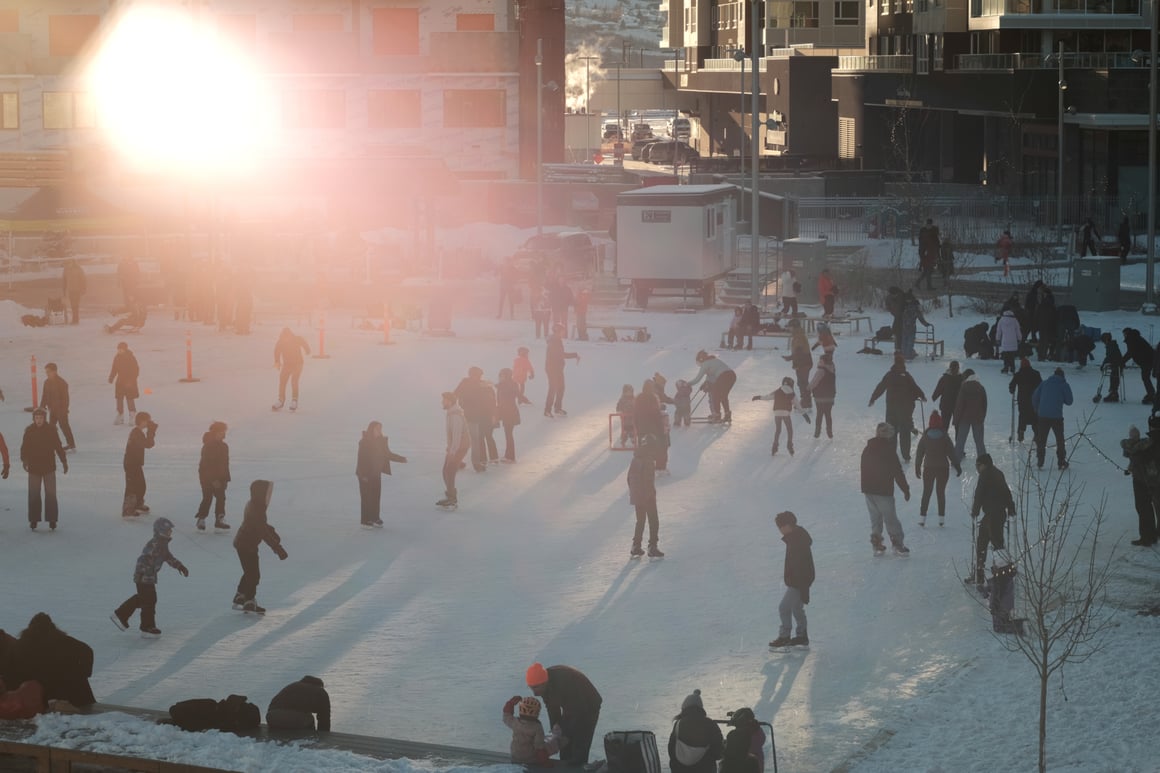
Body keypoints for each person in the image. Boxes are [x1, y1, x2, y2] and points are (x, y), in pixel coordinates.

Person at [111, 517, 188, 636]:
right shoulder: (155, 543)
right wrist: (145, 572)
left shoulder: (162, 544)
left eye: (170, 531)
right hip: (143, 575)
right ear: (160, 531)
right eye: (168, 531)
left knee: (146, 599)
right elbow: (145, 557)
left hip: (148, 576)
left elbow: (169, 557)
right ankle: (145, 626)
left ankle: (123, 615)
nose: (170, 533)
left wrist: (180, 566)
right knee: (148, 600)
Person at [3, 613, 94, 709]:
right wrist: (83, 672)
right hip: (67, 693)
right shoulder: (65, 642)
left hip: (35, 694)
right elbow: (87, 651)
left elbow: (9, 670)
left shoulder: (19, 646)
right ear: (52, 627)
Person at [526, 663, 602, 767]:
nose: (534, 693)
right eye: (531, 688)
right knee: (563, 742)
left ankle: (577, 766)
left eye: (535, 688)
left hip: (589, 706)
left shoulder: (565, 682)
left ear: (544, 682)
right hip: (571, 706)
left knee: (579, 743)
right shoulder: (543, 681)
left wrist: (565, 733)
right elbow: (552, 708)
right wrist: (555, 731)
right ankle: (566, 765)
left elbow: (578, 711)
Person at [232, 480, 288, 615]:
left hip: (243, 543)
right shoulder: (257, 509)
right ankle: (249, 601)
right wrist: (278, 548)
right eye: (267, 494)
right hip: (246, 545)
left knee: (249, 571)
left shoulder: (254, 505)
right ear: (260, 494)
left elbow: (259, 525)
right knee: (254, 575)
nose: (269, 497)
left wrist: (271, 530)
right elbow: (261, 530)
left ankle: (240, 596)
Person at [860, 422, 911, 556]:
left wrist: (866, 487)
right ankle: (898, 545)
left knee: (875, 520)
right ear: (888, 435)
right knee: (891, 519)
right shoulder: (888, 450)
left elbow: (863, 469)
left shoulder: (867, 448)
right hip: (883, 491)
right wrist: (905, 489)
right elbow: (897, 471)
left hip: (869, 491)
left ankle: (876, 546)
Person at [967, 454, 1016, 587]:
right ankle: (994, 575)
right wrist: (1011, 508)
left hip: (991, 516)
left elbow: (979, 494)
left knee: (992, 545)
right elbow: (1007, 492)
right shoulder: (998, 473)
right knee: (991, 543)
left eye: (978, 465)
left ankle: (1000, 577)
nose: (977, 468)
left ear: (984, 465)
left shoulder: (985, 475)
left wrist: (975, 510)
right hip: (998, 515)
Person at [768, 511, 814, 648]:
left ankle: (784, 636)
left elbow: (800, 565)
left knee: (784, 608)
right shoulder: (796, 537)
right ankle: (801, 636)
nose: (780, 530)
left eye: (780, 527)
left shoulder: (797, 541)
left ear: (787, 526)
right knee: (796, 608)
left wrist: (801, 585)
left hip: (798, 581)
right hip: (800, 580)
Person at [868, 355, 927, 462]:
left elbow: (880, 387)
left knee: (891, 432)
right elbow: (915, 387)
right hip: (904, 410)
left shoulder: (889, 375)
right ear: (903, 363)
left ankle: (890, 454)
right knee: (904, 433)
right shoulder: (906, 375)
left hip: (891, 409)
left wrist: (873, 398)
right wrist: (922, 396)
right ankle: (906, 456)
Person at [20, 408, 67, 531]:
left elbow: (58, 446)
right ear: (33, 419)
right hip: (34, 468)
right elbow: (24, 448)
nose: (38, 420)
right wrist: (25, 460)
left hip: (49, 467)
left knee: (51, 495)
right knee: (34, 495)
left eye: (41, 418)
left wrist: (64, 461)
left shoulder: (51, 430)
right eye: (36, 418)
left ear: (44, 418)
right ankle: (34, 520)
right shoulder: (29, 431)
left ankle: (52, 520)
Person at [356, 421, 407, 528]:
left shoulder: (381, 441)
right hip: (365, 474)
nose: (380, 430)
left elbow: (387, 454)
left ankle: (375, 518)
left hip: (376, 474)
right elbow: (361, 460)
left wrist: (400, 458)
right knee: (366, 497)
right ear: (371, 429)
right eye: (377, 428)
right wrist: (363, 475)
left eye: (381, 428)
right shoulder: (364, 442)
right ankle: (365, 520)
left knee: (375, 496)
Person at [914, 411, 960, 528]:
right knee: (940, 493)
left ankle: (922, 518)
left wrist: (917, 466)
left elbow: (919, 453)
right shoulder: (945, 437)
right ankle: (941, 519)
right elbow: (952, 453)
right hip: (943, 468)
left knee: (926, 492)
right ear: (940, 422)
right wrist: (957, 466)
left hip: (929, 468)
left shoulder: (925, 437)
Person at [1121, 423, 1160, 547]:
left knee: (1144, 508)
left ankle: (1148, 537)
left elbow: (1131, 450)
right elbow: (1130, 452)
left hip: (1146, 480)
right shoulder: (1148, 442)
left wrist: (1133, 440)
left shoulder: (1149, 443)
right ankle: (1150, 536)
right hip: (1146, 479)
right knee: (1148, 507)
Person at [668, 689, 724, 773]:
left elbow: (671, 750)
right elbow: (718, 752)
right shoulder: (710, 724)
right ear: (700, 707)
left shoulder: (678, 724)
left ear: (684, 707)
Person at [455, 366, 498, 471]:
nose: (477, 377)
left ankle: (475, 463)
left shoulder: (483, 384)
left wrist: (493, 414)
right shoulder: (465, 383)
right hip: (468, 415)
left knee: (474, 441)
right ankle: (457, 461)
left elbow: (491, 400)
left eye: (478, 375)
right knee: (465, 440)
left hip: (477, 417)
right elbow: (455, 395)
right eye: (475, 375)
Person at [627, 434, 663, 557]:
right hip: (647, 495)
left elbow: (629, 477)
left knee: (640, 520)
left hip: (637, 495)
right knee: (654, 521)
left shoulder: (635, 458)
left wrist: (634, 492)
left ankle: (636, 546)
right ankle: (653, 546)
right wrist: (650, 494)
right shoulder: (648, 460)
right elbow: (648, 479)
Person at [1031, 367, 1074, 470]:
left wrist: (1037, 409)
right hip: (1056, 417)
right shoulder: (1064, 385)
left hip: (1043, 416)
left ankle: (1040, 461)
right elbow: (1069, 401)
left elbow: (1035, 397)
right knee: (1060, 439)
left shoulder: (1044, 383)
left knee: (1041, 440)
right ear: (1062, 376)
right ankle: (1061, 461)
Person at [753, 377, 807, 456]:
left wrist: (759, 397)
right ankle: (789, 445)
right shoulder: (792, 392)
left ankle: (774, 446)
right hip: (786, 413)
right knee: (789, 429)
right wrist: (804, 414)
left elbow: (768, 397)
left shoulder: (778, 391)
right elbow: (797, 404)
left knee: (778, 430)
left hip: (777, 413)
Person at [502, 694, 560, 765]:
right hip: (531, 759)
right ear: (537, 712)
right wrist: (546, 763)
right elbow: (539, 748)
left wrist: (511, 703)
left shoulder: (515, 722)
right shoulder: (537, 727)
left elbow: (506, 715)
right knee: (554, 742)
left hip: (515, 757)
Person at [195, 421, 232, 532]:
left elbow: (225, 464)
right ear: (215, 432)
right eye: (221, 432)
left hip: (220, 477)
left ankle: (219, 519)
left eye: (224, 432)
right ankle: (201, 519)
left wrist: (225, 479)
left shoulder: (224, 446)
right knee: (207, 498)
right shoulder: (208, 446)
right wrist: (213, 479)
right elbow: (206, 464)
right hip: (206, 477)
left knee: (221, 497)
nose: (223, 434)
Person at [121, 411, 157, 518]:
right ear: (142, 421)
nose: (149, 423)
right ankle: (127, 510)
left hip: (135, 463)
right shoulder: (136, 432)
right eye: (148, 421)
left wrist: (151, 431)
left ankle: (137, 504)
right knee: (131, 486)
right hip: (131, 464)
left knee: (141, 485)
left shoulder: (138, 432)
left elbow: (149, 444)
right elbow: (148, 444)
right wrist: (151, 431)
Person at [439, 391, 471, 508]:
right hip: (455, 447)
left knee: (450, 470)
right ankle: (450, 496)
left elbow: (457, 436)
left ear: (450, 401)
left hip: (460, 447)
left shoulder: (455, 416)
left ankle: (452, 498)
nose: (442, 402)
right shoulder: (451, 413)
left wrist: (452, 452)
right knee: (446, 470)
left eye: (444, 400)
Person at [688, 350, 737, 423]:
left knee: (715, 395)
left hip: (724, 376)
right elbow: (710, 377)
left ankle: (717, 415)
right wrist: (705, 384)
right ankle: (727, 415)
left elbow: (697, 379)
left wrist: (688, 384)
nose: (699, 365)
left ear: (700, 360)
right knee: (723, 396)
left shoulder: (705, 364)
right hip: (732, 375)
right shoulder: (713, 360)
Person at [544, 323, 580, 417]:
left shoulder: (557, 340)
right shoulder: (554, 341)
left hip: (558, 368)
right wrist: (574, 355)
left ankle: (557, 408)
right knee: (553, 388)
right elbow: (561, 354)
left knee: (561, 388)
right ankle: (547, 410)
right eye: (563, 331)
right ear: (558, 331)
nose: (564, 333)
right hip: (552, 369)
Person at [952, 369, 987, 464]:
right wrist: (982, 417)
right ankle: (984, 462)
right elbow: (984, 404)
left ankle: (956, 461)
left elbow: (959, 405)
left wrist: (955, 420)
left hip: (964, 419)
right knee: (979, 442)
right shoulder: (981, 388)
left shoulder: (963, 388)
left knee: (960, 441)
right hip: (978, 418)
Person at [40, 362, 75, 451]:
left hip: (61, 410)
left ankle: (71, 445)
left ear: (54, 371)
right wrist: (42, 407)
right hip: (52, 410)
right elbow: (44, 396)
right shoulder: (46, 382)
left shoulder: (62, 383)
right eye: (46, 372)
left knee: (64, 426)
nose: (47, 374)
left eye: (48, 372)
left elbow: (66, 398)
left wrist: (64, 409)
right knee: (51, 427)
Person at [273, 327, 311, 411]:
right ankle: (281, 400)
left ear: (290, 336)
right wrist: (277, 361)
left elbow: (303, 342)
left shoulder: (296, 339)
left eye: (287, 338)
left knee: (294, 381)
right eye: (284, 338)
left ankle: (294, 400)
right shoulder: (280, 342)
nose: (286, 340)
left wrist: (307, 350)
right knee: (282, 381)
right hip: (287, 364)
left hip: (298, 363)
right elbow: (276, 352)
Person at [634, 380, 668, 472]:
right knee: (663, 443)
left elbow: (635, 415)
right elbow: (656, 416)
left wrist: (638, 429)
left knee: (643, 447)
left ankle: (643, 466)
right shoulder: (653, 398)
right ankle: (660, 467)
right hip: (653, 430)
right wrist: (662, 431)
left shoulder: (638, 398)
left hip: (641, 430)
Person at [719, 707, 765, 773]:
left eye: (737, 726)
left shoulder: (747, 737)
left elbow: (737, 748)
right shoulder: (754, 731)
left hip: (743, 768)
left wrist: (725, 744)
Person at [1009, 359, 1042, 443]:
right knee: (1035, 416)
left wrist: (1012, 390)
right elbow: (1041, 386)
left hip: (1022, 400)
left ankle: (1021, 432)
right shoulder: (1036, 373)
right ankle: (1037, 434)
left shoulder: (1018, 374)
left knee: (1023, 416)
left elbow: (1012, 385)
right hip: (1034, 399)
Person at [108, 341, 140, 425]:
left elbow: (136, 370)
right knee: (119, 398)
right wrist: (111, 377)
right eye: (118, 349)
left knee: (130, 398)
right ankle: (120, 415)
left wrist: (131, 380)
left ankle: (132, 416)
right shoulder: (117, 357)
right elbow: (114, 368)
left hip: (130, 382)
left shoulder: (131, 357)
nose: (119, 351)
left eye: (121, 349)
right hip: (120, 382)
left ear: (125, 349)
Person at [1122, 328, 1156, 404]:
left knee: (1145, 377)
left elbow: (1130, 352)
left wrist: (1122, 361)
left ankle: (1152, 395)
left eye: (1124, 334)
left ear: (1127, 333)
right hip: (1148, 360)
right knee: (1145, 378)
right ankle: (1151, 394)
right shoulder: (1135, 338)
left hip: (1147, 360)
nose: (1123, 336)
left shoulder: (1132, 339)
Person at [782, 325, 813, 407]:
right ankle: (806, 400)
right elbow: (798, 352)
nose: (789, 329)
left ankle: (806, 401)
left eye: (790, 327)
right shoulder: (798, 336)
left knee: (802, 382)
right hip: (804, 363)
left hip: (803, 363)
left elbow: (799, 353)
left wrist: (790, 359)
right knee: (802, 382)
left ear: (794, 327)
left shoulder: (798, 337)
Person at [807, 354, 836, 440]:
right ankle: (829, 432)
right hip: (830, 397)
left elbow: (814, 382)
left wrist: (808, 388)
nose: (819, 362)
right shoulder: (832, 370)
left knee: (819, 414)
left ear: (824, 362)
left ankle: (817, 432)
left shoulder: (821, 371)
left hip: (820, 396)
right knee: (828, 414)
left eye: (821, 360)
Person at [495, 368, 521, 463]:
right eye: (500, 375)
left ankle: (510, 457)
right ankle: (509, 455)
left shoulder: (510, 385)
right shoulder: (503, 385)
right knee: (508, 434)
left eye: (502, 375)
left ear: (507, 376)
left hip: (510, 413)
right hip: (506, 413)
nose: (501, 377)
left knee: (509, 434)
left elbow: (508, 391)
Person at [899, 290, 931, 360]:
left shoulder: (909, 306)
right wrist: (925, 323)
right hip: (906, 327)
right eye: (907, 300)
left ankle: (906, 355)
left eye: (908, 300)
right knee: (906, 342)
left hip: (909, 327)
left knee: (907, 342)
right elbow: (920, 316)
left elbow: (920, 316)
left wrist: (925, 323)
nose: (907, 301)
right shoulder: (906, 305)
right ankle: (906, 355)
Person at [931, 360, 963, 428]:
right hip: (957, 406)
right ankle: (958, 438)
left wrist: (934, 397)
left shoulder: (945, 378)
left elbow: (938, 389)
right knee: (957, 426)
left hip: (946, 405)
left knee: (945, 425)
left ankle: (944, 438)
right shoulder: (961, 378)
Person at [1098, 332, 1123, 403]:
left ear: (1106, 340)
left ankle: (1113, 393)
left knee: (1114, 376)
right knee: (1113, 376)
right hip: (1116, 364)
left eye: (1103, 341)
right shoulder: (1112, 345)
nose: (1103, 343)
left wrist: (1103, 365)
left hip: (1117, 365)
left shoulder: (1110, 346)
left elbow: (1109, 357)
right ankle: (1113, 393)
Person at [995, 309, 1022, 374]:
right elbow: (1018, 330)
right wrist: (1019, 338)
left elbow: (999, 331)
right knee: (1012, 356)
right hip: (1013, 340)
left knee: (1006, 355)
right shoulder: (1015, 320)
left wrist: (998, 339)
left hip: (1005, 340)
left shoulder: (1001, 320)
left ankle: (1006, 368)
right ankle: (1012, 368)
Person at [916, 218, 940, 290]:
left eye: (930, 224)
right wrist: (923, 254)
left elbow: (936, 241)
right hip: (925, 254)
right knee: (928, 270)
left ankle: (917, 283)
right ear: (926, 224)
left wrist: (937, 250)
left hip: (932, 253)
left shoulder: (934, 230)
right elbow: (921, 243)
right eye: (928, 224)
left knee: (928, 271)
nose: (929, 226)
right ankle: (928, 286)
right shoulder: (923, 231)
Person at [61, 259, 86, 324]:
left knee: (76, 305)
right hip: (70, 290)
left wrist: (84, 289)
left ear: (73, 262)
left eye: (70, 263)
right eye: (67, 263)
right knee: (72, 305)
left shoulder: (78, 269)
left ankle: (76, 319)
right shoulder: (66, 270)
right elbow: (64, 281)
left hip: (77, 289)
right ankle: (75, 319)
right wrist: (64, 291)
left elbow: (83, 279)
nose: (68, 264)